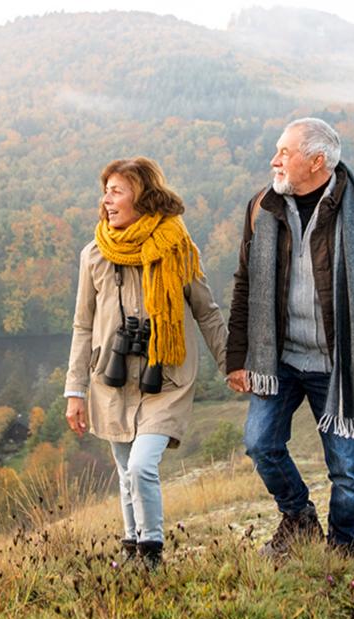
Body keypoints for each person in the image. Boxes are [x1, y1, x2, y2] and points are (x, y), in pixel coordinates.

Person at [226, 117, 354, 558]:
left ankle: (341, 552)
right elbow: (245, 284)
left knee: (348, 471)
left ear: (317, 162)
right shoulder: (262, 207)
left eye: (285, 153)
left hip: (340, 365)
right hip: (281, 359)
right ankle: (298, 518)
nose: (274, 161)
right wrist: (238, 357)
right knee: (260, 444)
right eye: (277, 150)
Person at [65, 157, 227, 569]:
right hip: (112, 379)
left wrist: (231, 365)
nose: (106, 201)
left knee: (140, 466)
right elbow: (83, 325)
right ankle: (132, 546)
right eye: (106, 191)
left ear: (142, 196)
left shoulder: (177, 250)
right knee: (124, 471)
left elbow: (206, 311)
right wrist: (75, 390)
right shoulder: (94, 255)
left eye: (116, 191)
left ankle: (151, 553)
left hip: (166, 377)